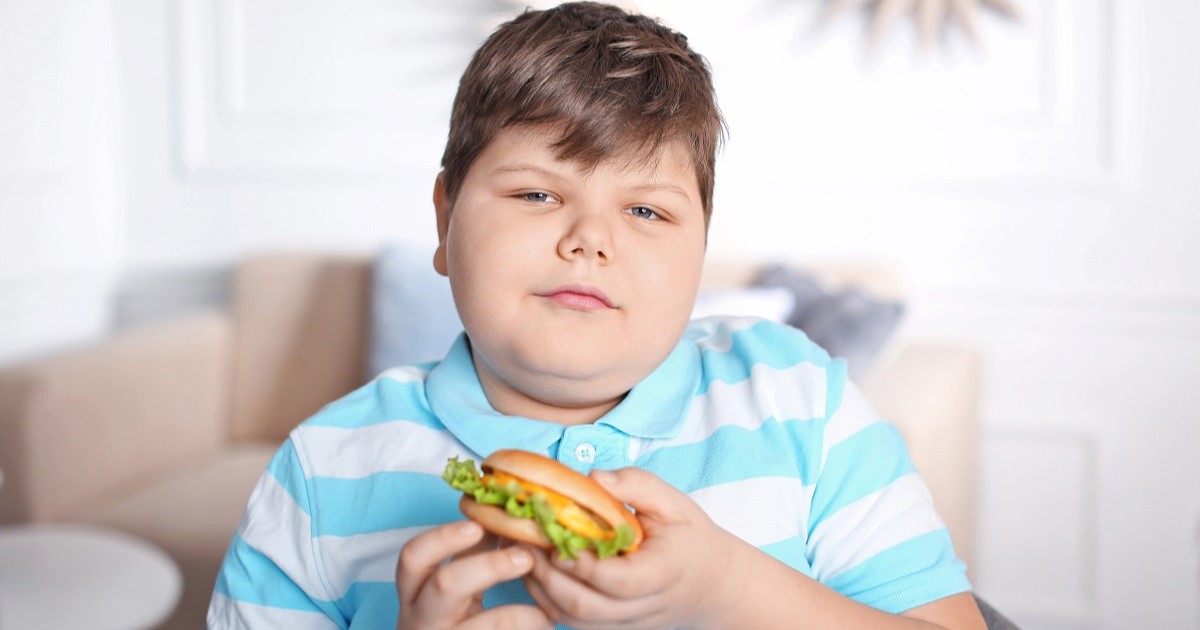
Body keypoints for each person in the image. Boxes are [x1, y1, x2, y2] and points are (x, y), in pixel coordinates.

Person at [208, 3, 987, 628]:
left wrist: (729, 592)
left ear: (702, 248)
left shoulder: (799, 400)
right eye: (537, 194)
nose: (590, 239)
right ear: (445, 220)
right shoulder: (318, 473)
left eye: (646, 210)